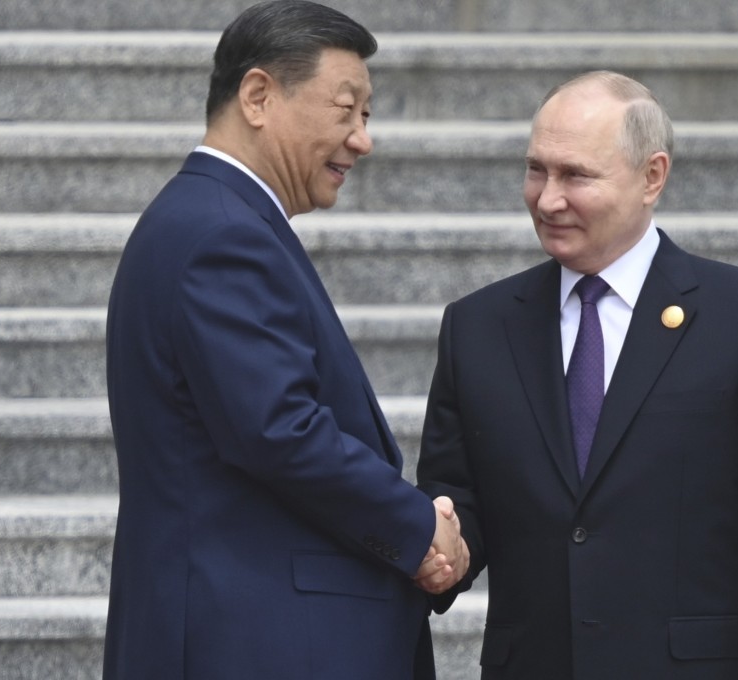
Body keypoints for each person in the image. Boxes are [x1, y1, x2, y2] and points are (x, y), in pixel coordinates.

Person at [417, 71, 738, 679]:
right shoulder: (477, 327)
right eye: (537, 170)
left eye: (576, 175)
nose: (547, 199)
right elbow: (456, 500)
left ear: (652, 177)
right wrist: (442, 552)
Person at [103, 2, 468, 678]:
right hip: (249, 641)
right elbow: (279, 430)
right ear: (258, 97)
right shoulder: (223, 233)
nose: (363, 140)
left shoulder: (211, 217)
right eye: (346, 109)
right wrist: (419, 527)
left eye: (367, 115)